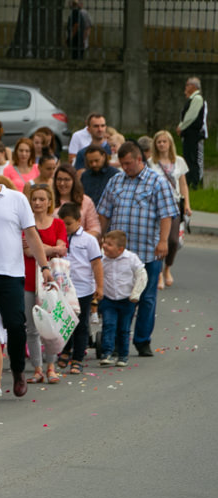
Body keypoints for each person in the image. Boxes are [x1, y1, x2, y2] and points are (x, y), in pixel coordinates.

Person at [0, 159, 54, 403]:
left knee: (16, 326)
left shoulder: (17, 199)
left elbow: (32, 236)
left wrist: (44, 266)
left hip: (11, 274)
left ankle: (17, 372)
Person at [97, 142, 177, 358]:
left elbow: (166, 214)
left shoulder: (157, 182)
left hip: (146, 252)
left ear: (139, 160)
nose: (125, 168)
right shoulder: (116, 181)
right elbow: (104, 211)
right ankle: (114, 340)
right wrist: (100, 238)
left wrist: (163, 241)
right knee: (115, 297)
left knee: (146, 297)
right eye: (122, 164)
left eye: (129, 163)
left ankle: (142, 340)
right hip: (117, 255)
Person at [22, 184, 67, 384]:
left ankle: (51, 366)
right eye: (34, 199)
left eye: (42, 199)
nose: (38, 203)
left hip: (50, 281)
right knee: (31, 327)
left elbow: (62, 249)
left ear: (50, 202)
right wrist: (51, 248)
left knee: (51, 326)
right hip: (28, 281)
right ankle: (38, 368)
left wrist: (40, 247)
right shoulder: (26, 223)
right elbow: (28, 251)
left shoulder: (58, 224)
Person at [56, 203, 103, 374]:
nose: (65, 227)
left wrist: (100, 286)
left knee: (81, 324)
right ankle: (66, 350)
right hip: (63, 288)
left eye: (68, 223)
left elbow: (96, 263)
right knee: (65, 322)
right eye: (62, 224)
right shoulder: (59, 239)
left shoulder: (89, 240)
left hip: (83, 289)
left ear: (78, 220)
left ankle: (77, 358)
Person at [149, 130, 192, 290]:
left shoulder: (179, 161)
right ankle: (159, 273)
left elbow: (183, 185)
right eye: (158, 142)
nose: (161, 144)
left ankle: (168, 267)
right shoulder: (151, 162)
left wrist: (187, 204)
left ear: (170, 144)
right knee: (159, 240)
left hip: (173, 204)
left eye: (164, 142)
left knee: (173, 240)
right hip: (155, 205)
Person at [98, 230, 147, 368]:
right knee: (108, 325)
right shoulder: (102, 259)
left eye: (109, 244)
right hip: (108, 299)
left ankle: (122, 355)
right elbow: (96, 273)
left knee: (124, 328)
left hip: (127, 300)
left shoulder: (131, 258)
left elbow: (141, 275)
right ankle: (107, 352)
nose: (105, 246)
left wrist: (136, 294)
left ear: (120, 249)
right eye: (104, 243)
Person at [53, 163, 100, 237]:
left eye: (66, 180)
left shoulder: (85, 201)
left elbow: (95, 229)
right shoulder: (49, 200)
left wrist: (78, 239)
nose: (62, 183)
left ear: (74, 181)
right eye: (59, 179)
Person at [177, 77, 207, 190]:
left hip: (193, 134)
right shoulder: (192, 99)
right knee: (188, 157)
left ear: (194, 87)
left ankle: (195, 182)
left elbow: (191, 116)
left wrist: (181, 126)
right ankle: (189, 181)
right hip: (189, 134)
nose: (185, 87)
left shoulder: (197, 98)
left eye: (187, 85)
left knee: (193, 158)